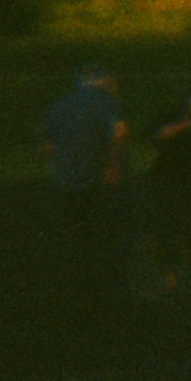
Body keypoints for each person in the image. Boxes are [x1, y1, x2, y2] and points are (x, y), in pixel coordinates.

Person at [41, 64, 129, 322]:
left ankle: (74, 293)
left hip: (66, 182)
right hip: (97, 180)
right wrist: (114, 165)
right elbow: (121, 133)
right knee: (101, 236)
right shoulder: (107, 102)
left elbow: (47, 146)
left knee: (73, 236)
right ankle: (104, 294)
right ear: (104, 82)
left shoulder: (58, 104)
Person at [145, 86, 191, 294]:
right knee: (166, 231)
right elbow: (155, 136)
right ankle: (169, 279)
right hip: (168, 182)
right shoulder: (171, 118)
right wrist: (183, 126)